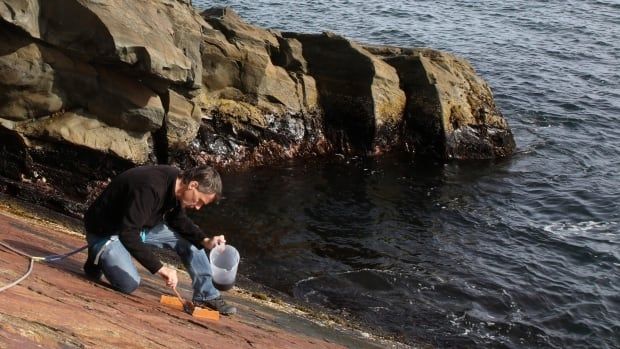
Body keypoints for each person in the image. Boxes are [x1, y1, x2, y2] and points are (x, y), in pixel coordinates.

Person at [83, 164, 236, 315]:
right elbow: (128, 233)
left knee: (192, 242)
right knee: (128, 284)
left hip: (137, 227)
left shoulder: (176, 184)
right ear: (193, 185)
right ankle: (97, 258)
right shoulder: (151, 186)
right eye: (200, 201)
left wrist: (205, 240)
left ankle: (207, 295)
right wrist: (161, 268)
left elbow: (177, 219)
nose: (198, 207)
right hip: (106, 232)